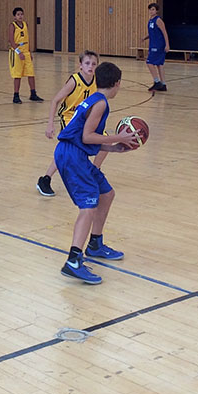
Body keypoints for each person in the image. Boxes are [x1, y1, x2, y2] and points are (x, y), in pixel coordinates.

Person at [54, 62, 138, 285]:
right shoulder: (100, 103)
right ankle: (73, 262)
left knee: (106, 194)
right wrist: (119, 137)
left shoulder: (94, 99)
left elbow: (85, 137)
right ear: (117, 83)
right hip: (71, 155)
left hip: (75, 153)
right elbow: (87, 137)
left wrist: (112, 148)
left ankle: (95, 244)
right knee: (88, 206)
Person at [36, 51, 107, 197]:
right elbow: (55, 100)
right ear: (80, 65)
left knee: (105, 139)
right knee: (69, 149)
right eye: (87, 63)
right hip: (70, 117)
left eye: (94, 64)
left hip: (84, 118)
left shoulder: (97, 81)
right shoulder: (75, 80)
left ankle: (94, 171)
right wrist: (50, 124)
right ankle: (45, 179)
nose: (90, 66)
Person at [9, 7, 43, 104]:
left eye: (21, 14)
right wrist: (19, 52)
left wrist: (29, 52)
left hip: (26, 52)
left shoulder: (25, 24)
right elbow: (11, 41)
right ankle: (16, 95)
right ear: (14, 16)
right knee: (17, 75)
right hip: (16, 52)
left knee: (31, 74)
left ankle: (33, 94)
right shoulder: (12, 26)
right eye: (18, 14)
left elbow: (27, 39)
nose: (20, 16)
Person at [143, 3, 170, 92]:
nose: (151, 11)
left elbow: (164, 32)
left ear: (157, 11)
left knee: (149, 62)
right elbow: (153, 32)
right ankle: (163, 84)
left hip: (158, 45)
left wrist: (167, 44)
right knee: (159, 65)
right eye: (150, 9)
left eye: (153, 9)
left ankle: (157, 81)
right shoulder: (150, 20)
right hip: (153, 44)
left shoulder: (158, 20)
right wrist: (145, 37)